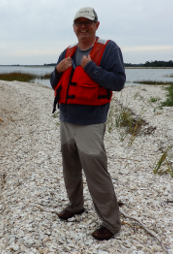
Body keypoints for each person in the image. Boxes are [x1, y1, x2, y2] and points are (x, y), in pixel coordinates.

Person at [50, 7, 126, 240]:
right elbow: (55, 82)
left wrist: (91, 68)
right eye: (78, 23)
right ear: (74, 27)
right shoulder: (68, 51)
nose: (83, 26)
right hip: (66, 120)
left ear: (96, 25)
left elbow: (118, 81)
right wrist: (56, 70)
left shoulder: (109, 49)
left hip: (91, 122)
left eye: (87, 22)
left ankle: (111, 224)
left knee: (96, 172)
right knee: (70, 168)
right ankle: (75, 206)